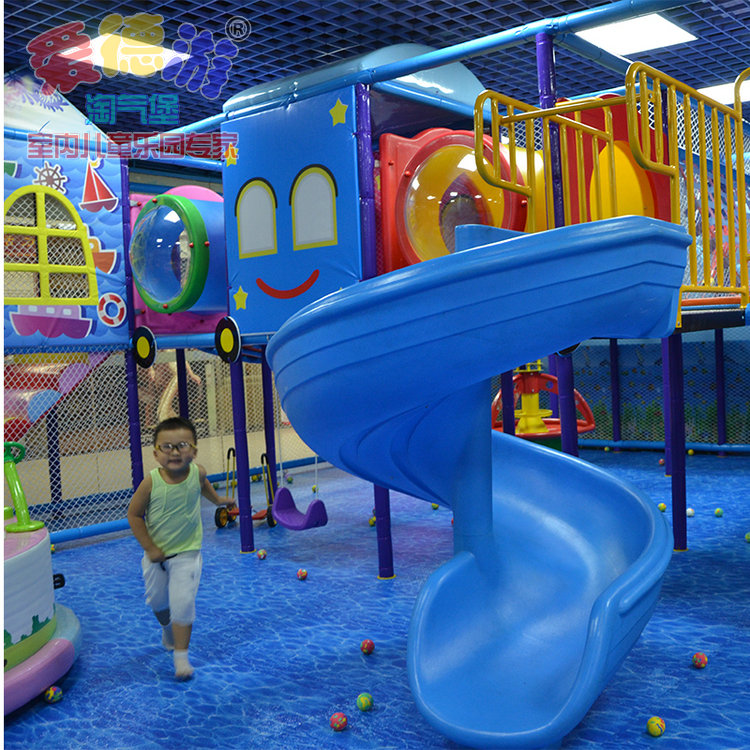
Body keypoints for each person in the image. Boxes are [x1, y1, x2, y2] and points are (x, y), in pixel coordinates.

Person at [127, 416, 232, 680]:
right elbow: (134, 515)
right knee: (158, 602)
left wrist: (218, 500)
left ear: (194, 451)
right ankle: (167, 630)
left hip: (188, 552)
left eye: (182, 445)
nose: (174, 452)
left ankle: (181, 658)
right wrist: (150, 548)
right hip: (156, 555)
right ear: (155, 453)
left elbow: (202, 484)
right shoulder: (151, 482)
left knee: (183, 602)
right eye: (167, 447)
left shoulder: (198, 472)